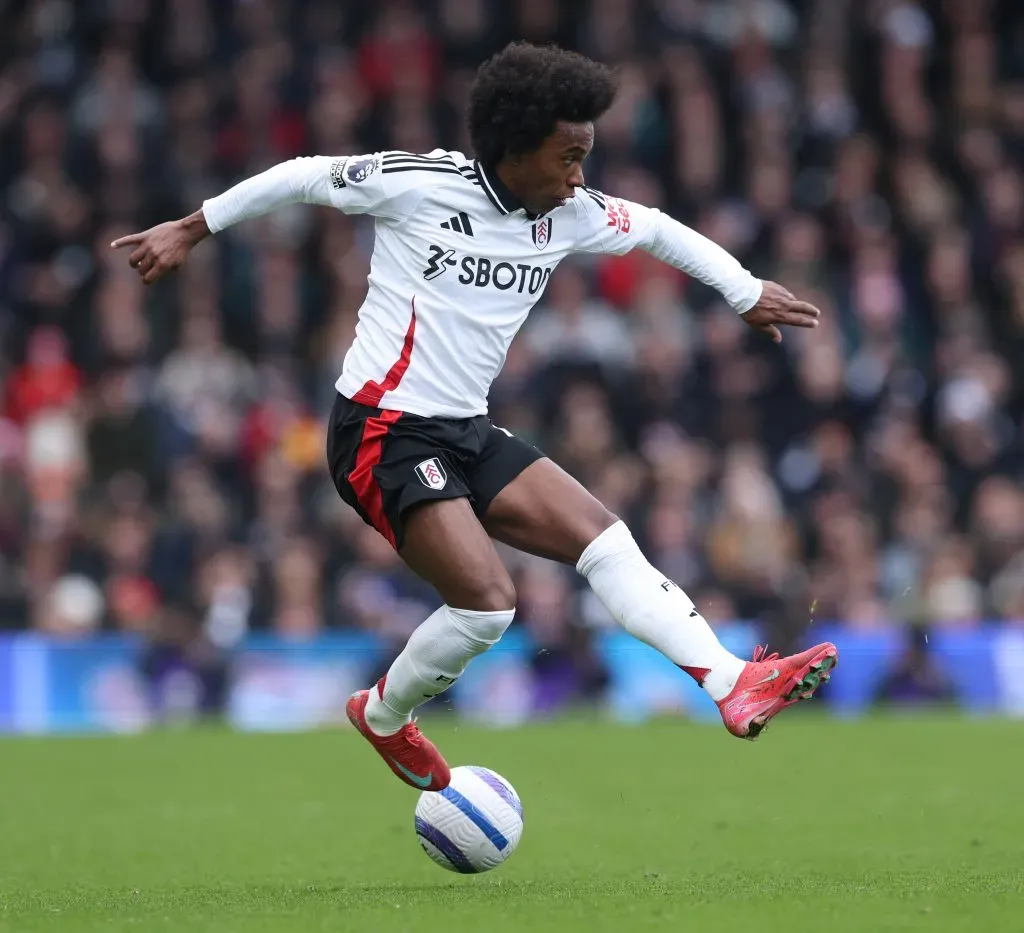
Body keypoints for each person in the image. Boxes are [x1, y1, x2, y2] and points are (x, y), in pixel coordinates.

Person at [112, 42, 837, 791]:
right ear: (515, 146)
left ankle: (730, 682)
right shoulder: (419, 184)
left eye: (586, 155)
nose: (580, 176)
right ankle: (385, 716)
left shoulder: (571, 214)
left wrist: (743, 289)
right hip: (379, 430)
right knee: (490, 606)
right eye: (568, 156)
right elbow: (303, 175)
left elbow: (655, 228)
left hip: (463, 427)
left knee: (605, 537)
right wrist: (192, 227)